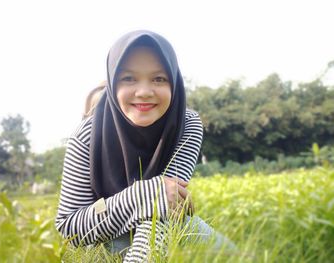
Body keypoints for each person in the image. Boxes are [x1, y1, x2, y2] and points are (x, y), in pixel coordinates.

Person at [55, 30, 236, 262]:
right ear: (112, 82)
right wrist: (143, 195)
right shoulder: (86, 137)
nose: (144, 92)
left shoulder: (186, 124)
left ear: (174, 82)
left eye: (159, 79)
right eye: (128, 78)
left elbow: (166, 209)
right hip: (105, 239)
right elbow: (70, 226)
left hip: (169, 231)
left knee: (237, 256)